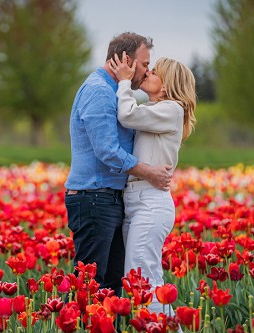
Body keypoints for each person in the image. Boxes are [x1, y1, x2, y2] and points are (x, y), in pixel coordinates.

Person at [64, 32, 172, 297]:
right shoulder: (99, 91)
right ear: (126, 60)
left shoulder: (116, 92)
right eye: (145, 64)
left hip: (107, 199)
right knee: (90, 285)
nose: (147, 71)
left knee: (110, 289)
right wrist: (149, 173)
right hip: (93, 198)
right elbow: (107, 152)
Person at [109, 53, 196, 315]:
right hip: (137, 200)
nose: (147, 73)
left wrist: (124, 82)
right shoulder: (155, 110)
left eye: (155, 72)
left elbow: (126, 115)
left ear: (168, 84)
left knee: (143, 282)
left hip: (150, 202)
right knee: (141, 280)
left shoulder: (172, 109)